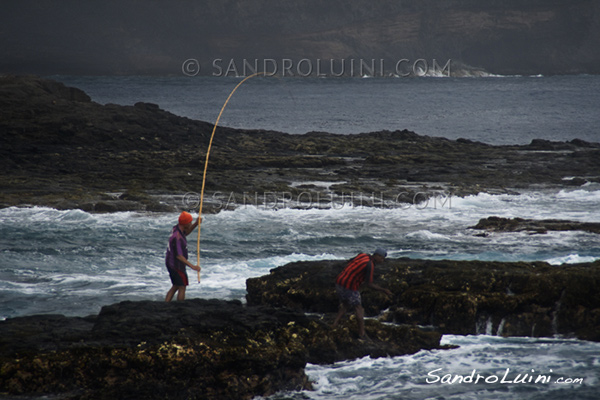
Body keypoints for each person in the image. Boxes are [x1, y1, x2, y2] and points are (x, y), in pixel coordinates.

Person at [332, 248, 393, 338]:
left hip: (339, 281)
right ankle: (362, 333)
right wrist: (384, 290)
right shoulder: (370, 265)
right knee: (359, 308)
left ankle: (335, 324)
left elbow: (349, 262)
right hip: (349, 286)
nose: (382, 261)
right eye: (382, 258)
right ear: (377, 256)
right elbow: (369, 284)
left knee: (345, 304)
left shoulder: (363, 255)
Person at [165, 211, 201, 302]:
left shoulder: (177, 229)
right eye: (190, 222)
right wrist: (193, 266)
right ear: (185, 223)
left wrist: (196, 223)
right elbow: (179, 256)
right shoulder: (177, 238)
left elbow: (186, 232)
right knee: (182, 287)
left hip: (171, 262)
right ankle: (180, 307)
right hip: (176, 265)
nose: (191, 223)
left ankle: (166, 303)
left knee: (175, 286)